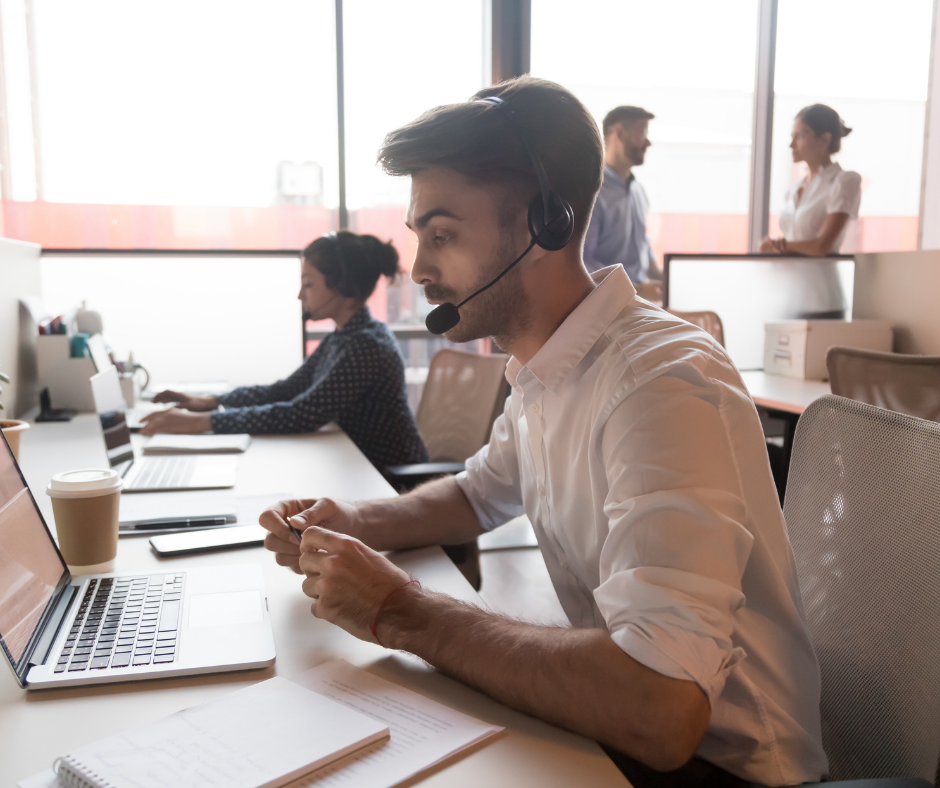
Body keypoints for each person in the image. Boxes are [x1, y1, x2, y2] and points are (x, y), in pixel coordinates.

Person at [259, 77, 827, 787]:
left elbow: (662, 707)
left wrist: (397, 611)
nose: (420, 269)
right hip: (613, 732)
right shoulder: (543, 369)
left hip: (727, 768)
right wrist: (354, 521)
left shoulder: (659, 385)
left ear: (546, 224)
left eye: (442, 235)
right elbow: (477, 495)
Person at [140, 232, 429, 471]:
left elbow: (302, 413)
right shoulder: (344, 337)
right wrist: (210, 402)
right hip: (354, 465)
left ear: (343, 286)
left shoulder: (366, 346)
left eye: (308, 283)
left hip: (388, 479)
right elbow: (286, 390)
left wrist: (202, 423)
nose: (300, 295)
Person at [583, 105, 662, 301]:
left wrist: (665, 279)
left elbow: (643, 245)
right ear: (618, 132)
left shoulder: (638, 191)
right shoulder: (592, 191)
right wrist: (634, 289)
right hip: (606, 304)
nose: (648, 142)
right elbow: (584, 261)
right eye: (642, 132)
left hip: (639, 302)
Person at [761, 104, 861, 255]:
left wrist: (778, 245)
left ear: (824, 139)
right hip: (790, 275)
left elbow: (822, 246)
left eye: (800, 136)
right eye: (792, 136)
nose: (791, 144)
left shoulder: (844, 181)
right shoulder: (794, 190)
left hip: (821, 277)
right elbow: (796, 241)